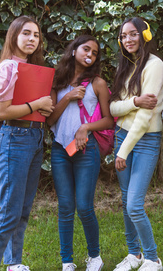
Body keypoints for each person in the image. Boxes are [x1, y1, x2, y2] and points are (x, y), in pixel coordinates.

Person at [0, 16, 54, 271]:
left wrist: (45, 109)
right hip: (15, 138)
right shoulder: (8, 67)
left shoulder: (33, 69)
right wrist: (37, 105)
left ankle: (13, 263)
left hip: (34, 137)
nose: (32, 39)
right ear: (14, 36)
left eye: (36, 35)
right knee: (9, 212)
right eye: (26, 33)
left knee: (23, 209)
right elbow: (2, 113)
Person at [46, 35, 114, 271]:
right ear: (74, 50)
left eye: (95, 53)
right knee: (65, 207)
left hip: (87, 149)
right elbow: (50, 120)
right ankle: (67, 261)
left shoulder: (97, 83)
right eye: (86, 49)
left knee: (84, 206)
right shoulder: (58, 80)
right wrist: (67, 96)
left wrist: (85, 127)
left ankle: (94, 257)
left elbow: (108, 120)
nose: (90, 55)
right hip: (60, 149)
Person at [110, 17, 163, 271]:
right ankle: (134, 254)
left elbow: (145, 118)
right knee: (125, 200)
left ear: (145, 35)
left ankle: (152, 258)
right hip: (121, 134)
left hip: (144, 140)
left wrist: (123, 151)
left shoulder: (154, 65)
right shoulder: (125, 66)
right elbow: (113, 108)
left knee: (134, 204)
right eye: (123, 36)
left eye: (133, 34)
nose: (128, 39)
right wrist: (134, 101)